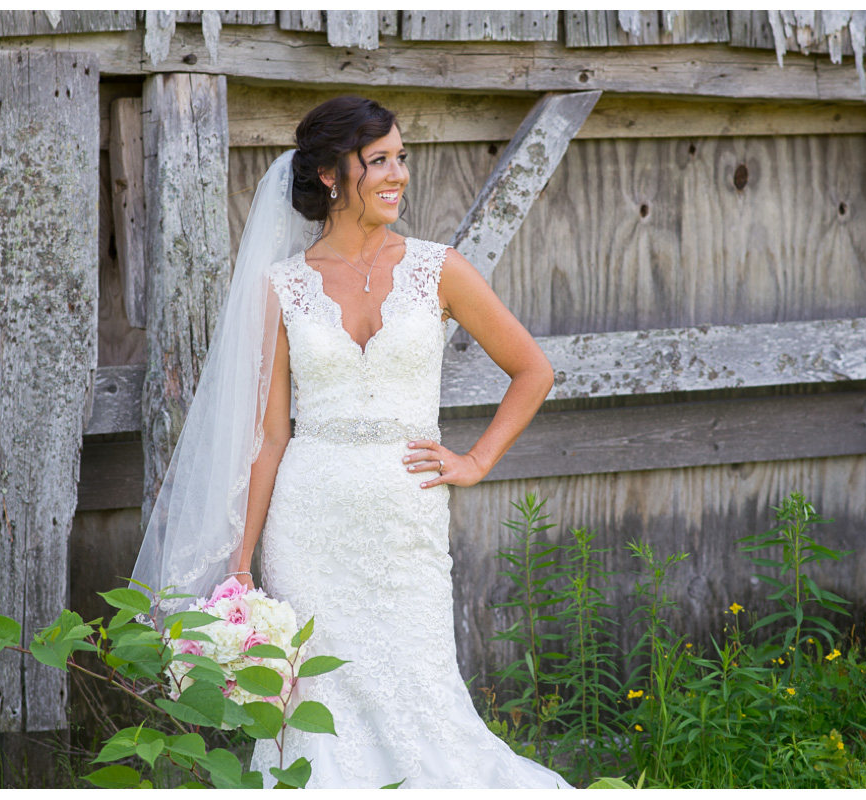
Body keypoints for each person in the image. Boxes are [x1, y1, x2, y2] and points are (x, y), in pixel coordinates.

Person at [132, 96, 571, 788]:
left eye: (401, 158)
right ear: (333, 175)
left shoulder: (438, 269)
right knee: (315, 696)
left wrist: (476, 459)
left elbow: (533, 370)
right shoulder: (282, 288)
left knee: (417, 682)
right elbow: (271, 437)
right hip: (308, 524)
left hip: (406, 520)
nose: (398, 174)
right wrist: (241, 560)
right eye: (379, 161)